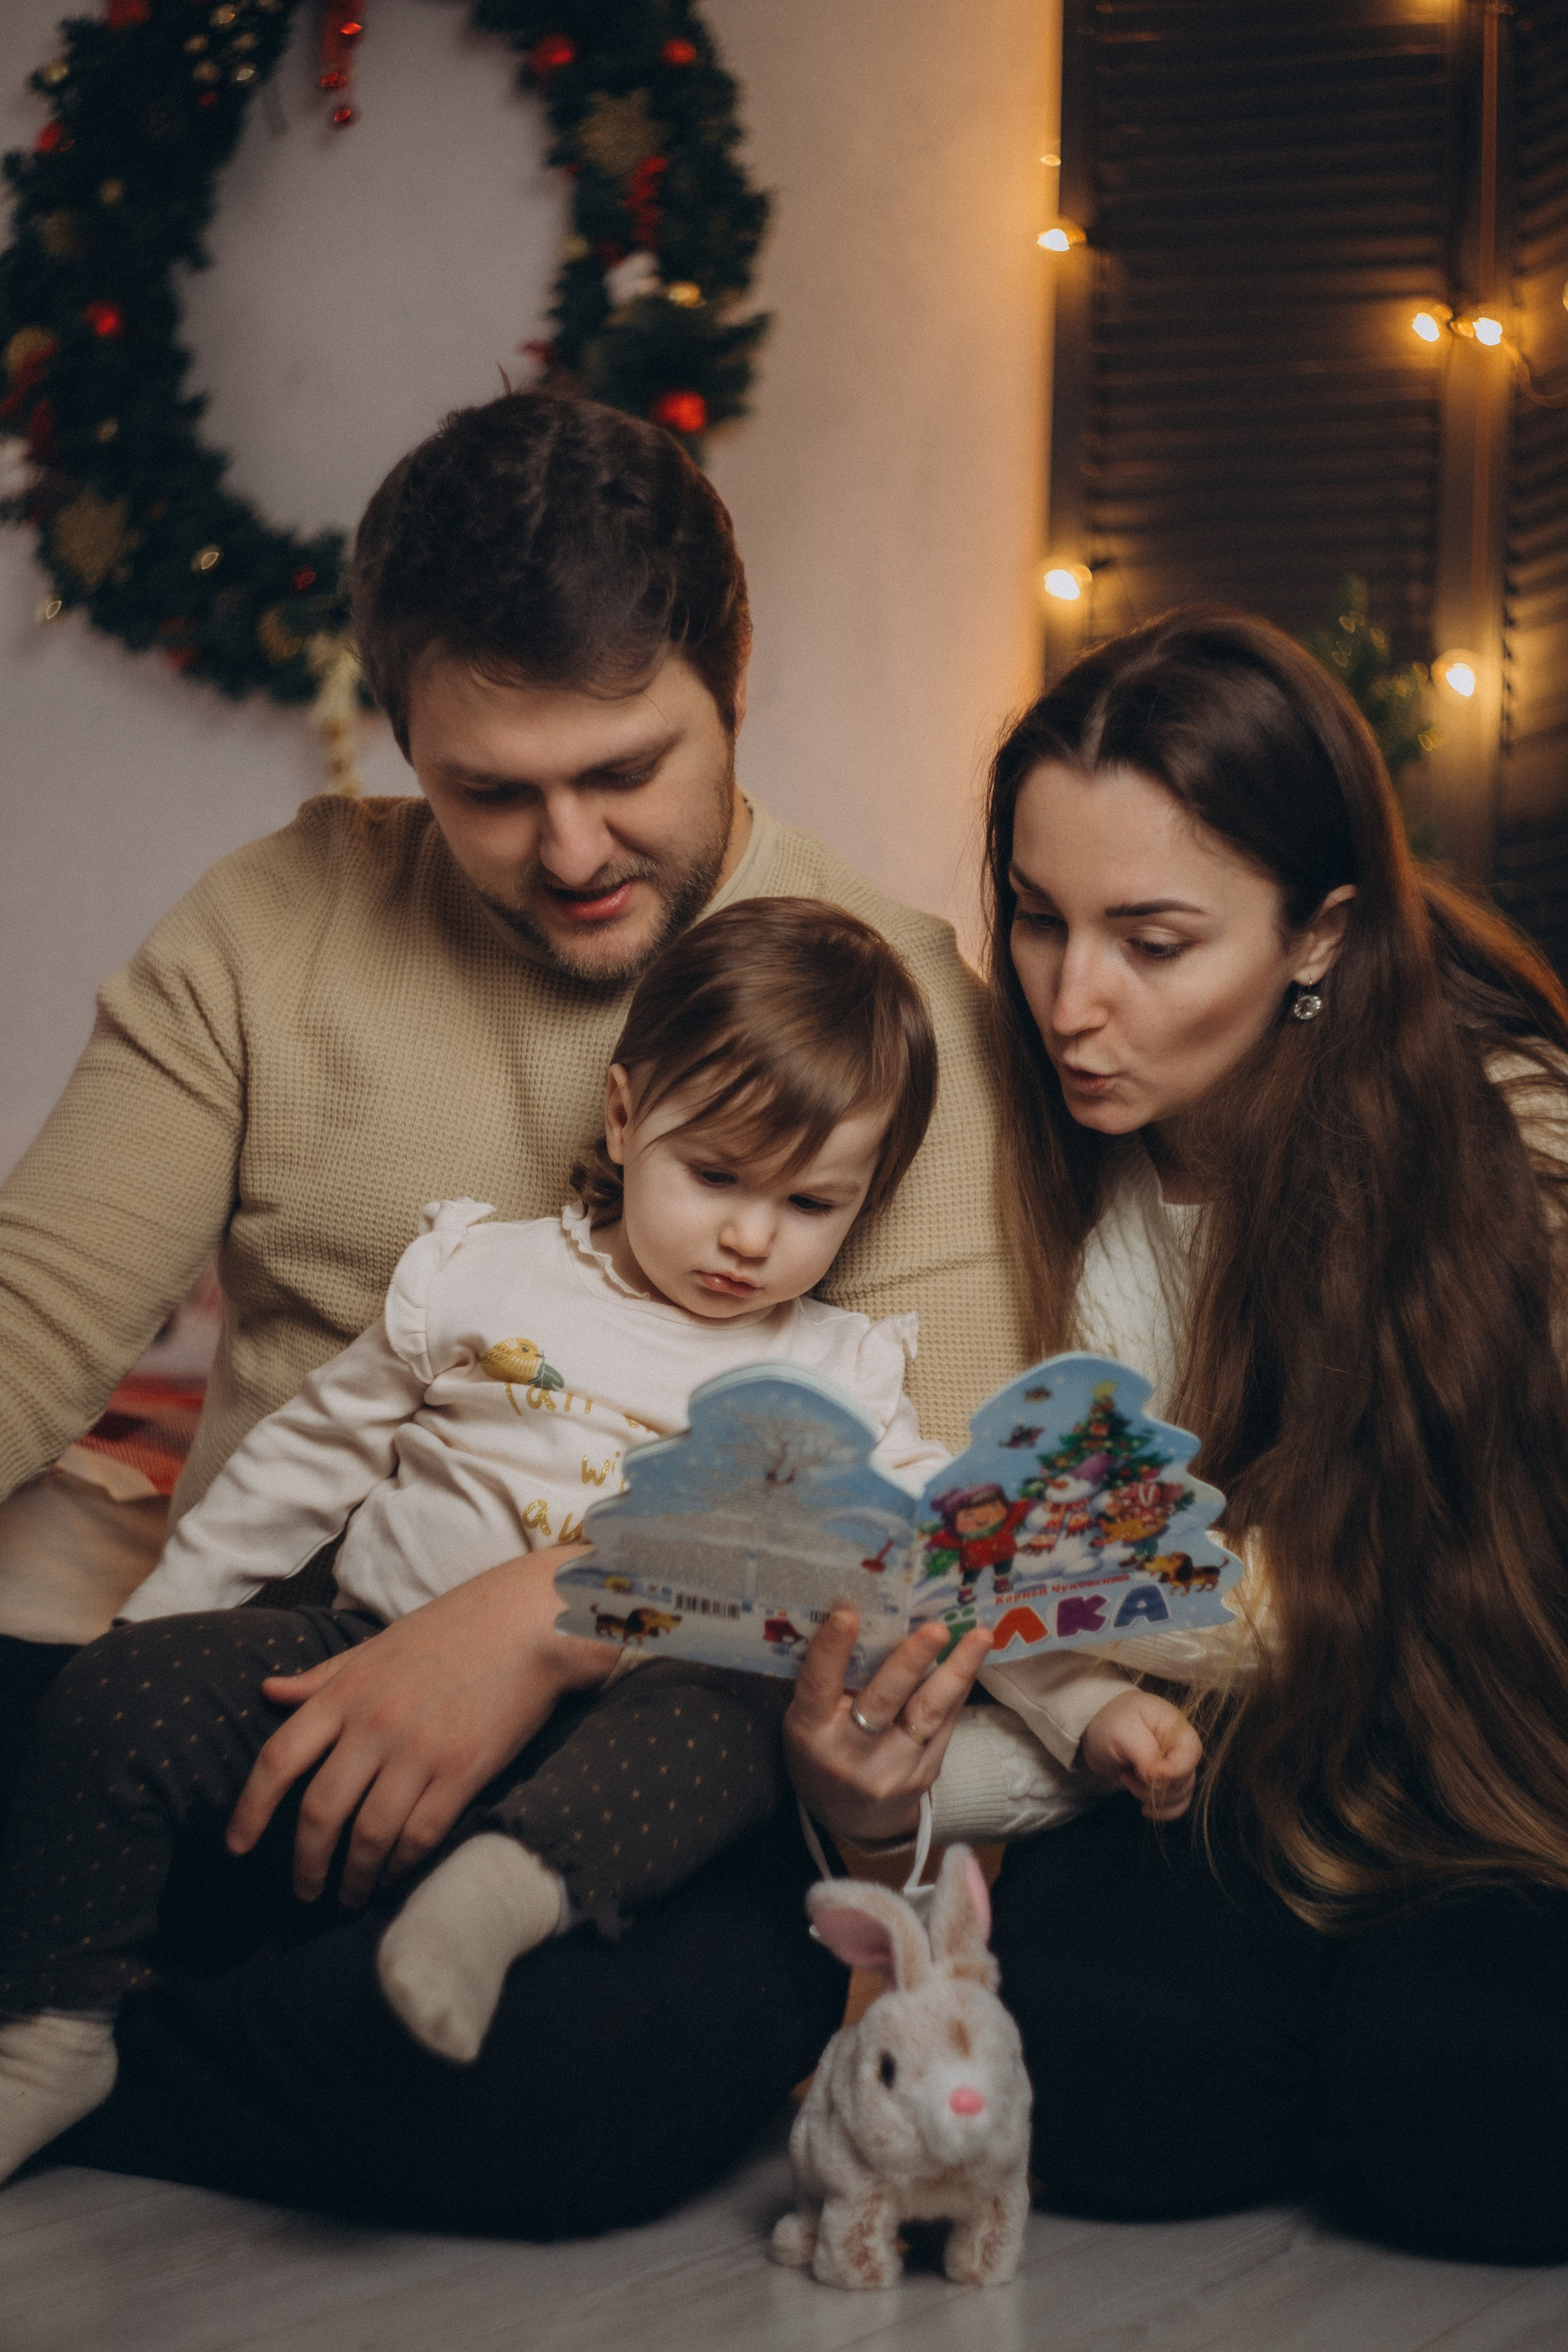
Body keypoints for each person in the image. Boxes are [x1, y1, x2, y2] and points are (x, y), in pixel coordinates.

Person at [0, 391, 1027, 2227]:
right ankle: (146, 2025)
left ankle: (127, 2025)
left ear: (733, 688)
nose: (572, 850)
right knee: (78, 1731)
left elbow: (932, 1523)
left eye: (629, 768)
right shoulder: (271, 926)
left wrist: (554, 1612)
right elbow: (29, 1324)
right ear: (404, 738)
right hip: (290, 1677)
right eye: (492, 789)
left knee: (571, 2085)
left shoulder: (891, 1011)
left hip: (652, 1786)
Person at [786, 606, 1568, 2267]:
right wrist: (872, 1813)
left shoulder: (1513, 1154)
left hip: (1488, 1755)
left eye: (1153, 941)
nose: (1074, 1002)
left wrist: (1028, 1587)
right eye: (1036, 919)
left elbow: (1366, 1579)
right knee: (1116, 2107)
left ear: (1318, 936)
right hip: (1222, 1773)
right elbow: (1024, 1604)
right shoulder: (1046, 1155)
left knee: (1482, 2118)